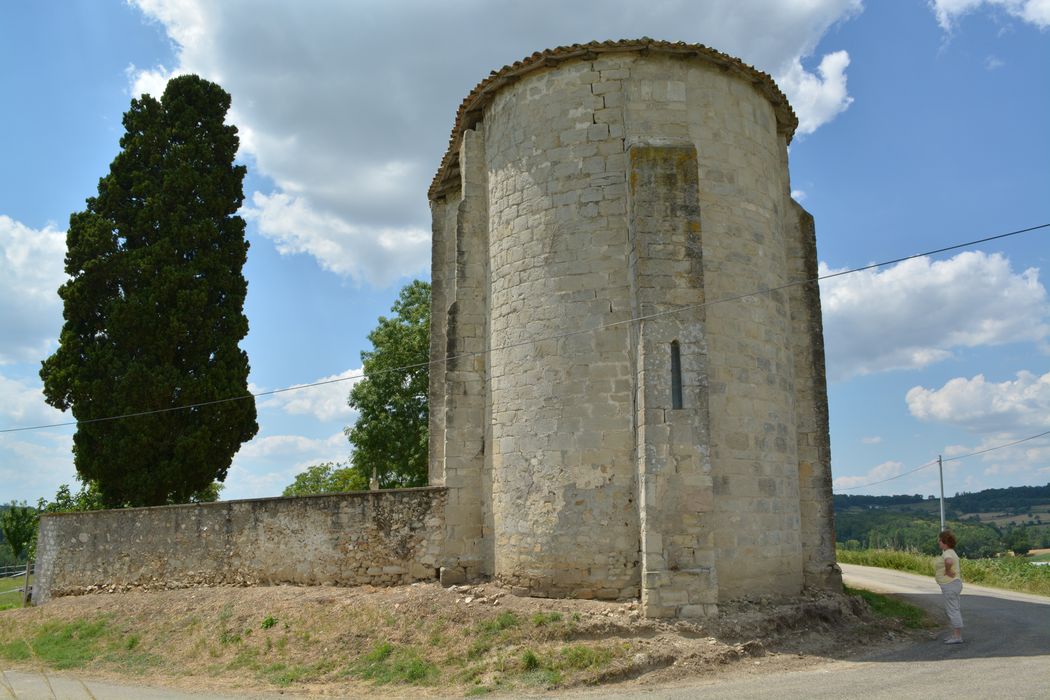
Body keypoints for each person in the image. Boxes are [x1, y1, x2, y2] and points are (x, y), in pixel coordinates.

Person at [936, 530, 963, 644]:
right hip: (954, 584)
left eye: (939, 540)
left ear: (944, 541)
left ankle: (957, 637)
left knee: (952, 610)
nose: (938, 542)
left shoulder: (947, 553)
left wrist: (947, 570)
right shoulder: (951, 551)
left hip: (950, 585)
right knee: (954, 608)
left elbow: (949, 561)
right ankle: (956, 634)